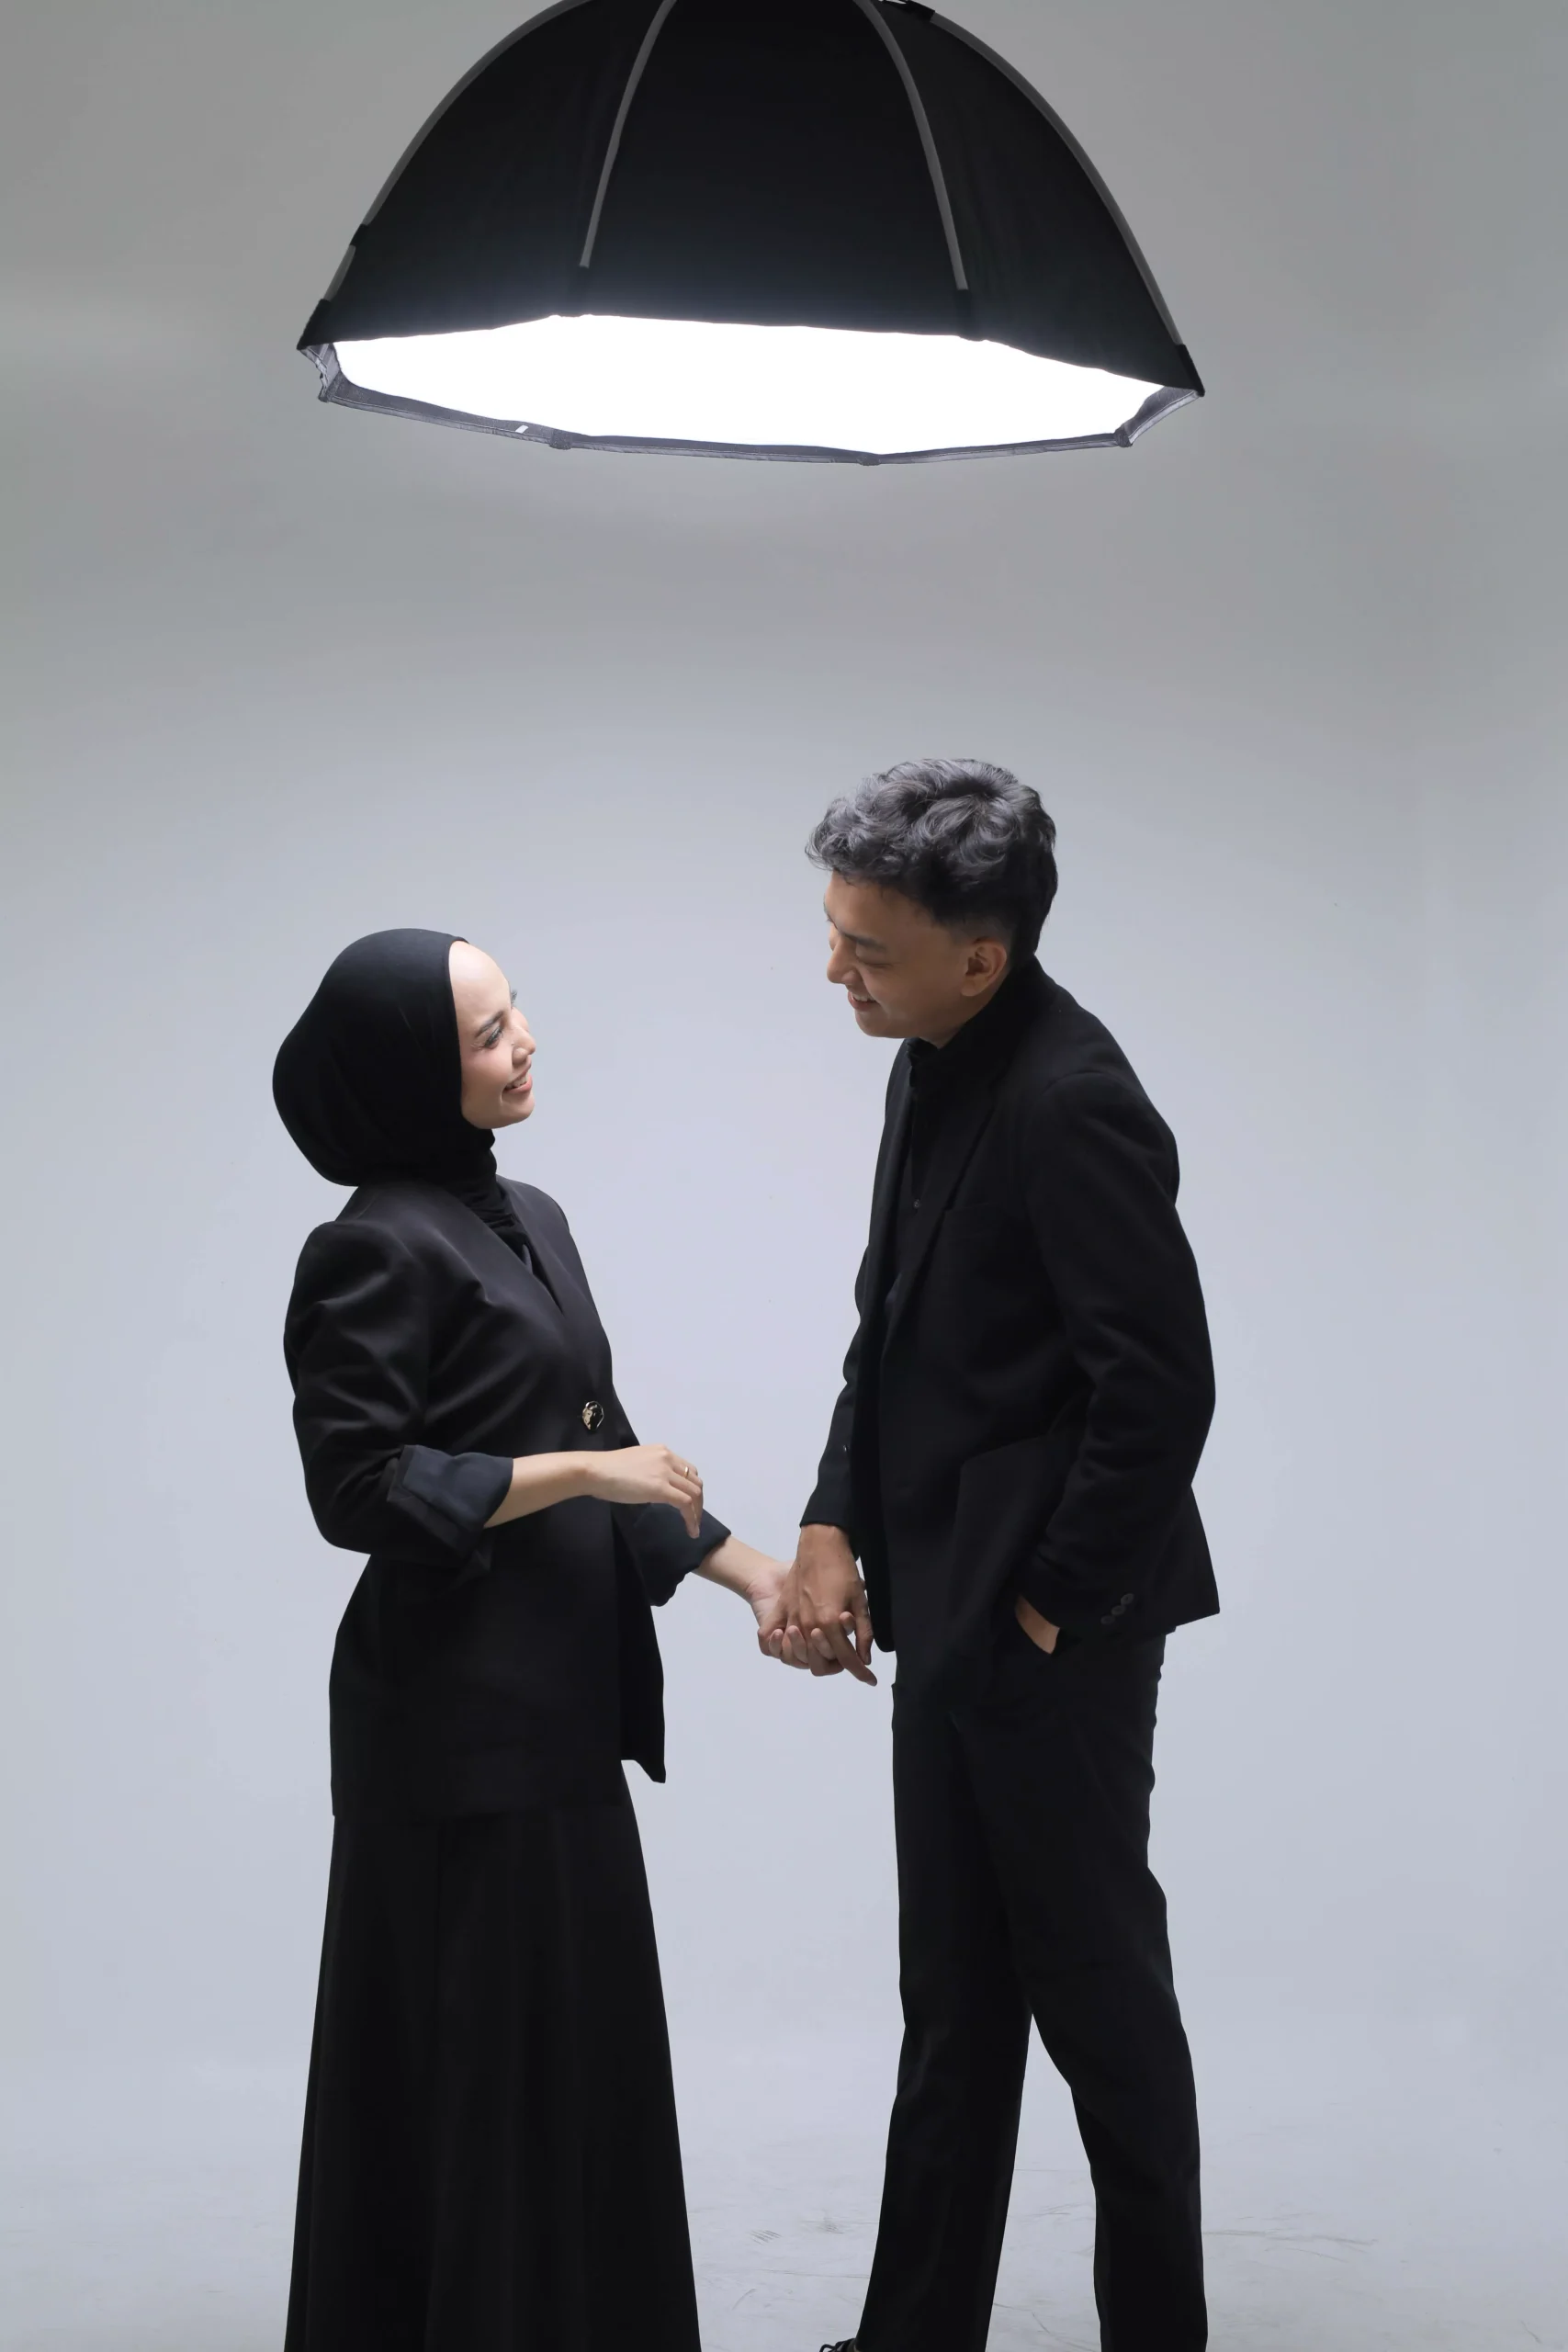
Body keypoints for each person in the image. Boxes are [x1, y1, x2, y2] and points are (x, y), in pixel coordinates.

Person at [273, 925, 787, 2352]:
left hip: (561, 1717)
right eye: (489, 1031)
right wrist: (580, 1475)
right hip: (454, 1741)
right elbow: (357, 1488)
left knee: (572, 2066)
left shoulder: (531, 1217)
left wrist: (756, 1579)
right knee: (477, 2079)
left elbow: (606, 1444)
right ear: (411, 1074)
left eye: (514, 1014)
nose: (525, 1043)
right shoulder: (367, 1247)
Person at [761, 761, 1218, 2352]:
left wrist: (1045, 1608)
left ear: (981, 955)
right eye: (834, 931)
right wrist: (830, 1519)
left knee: (1100, 2012)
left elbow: (1159, 1393)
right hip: (951, 1619)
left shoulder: (1073, 1099)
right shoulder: (928, 1056)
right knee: (951, 2005)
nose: (834, 968)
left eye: (866, 948)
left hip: (1049, 1637)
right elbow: (885, 1333)